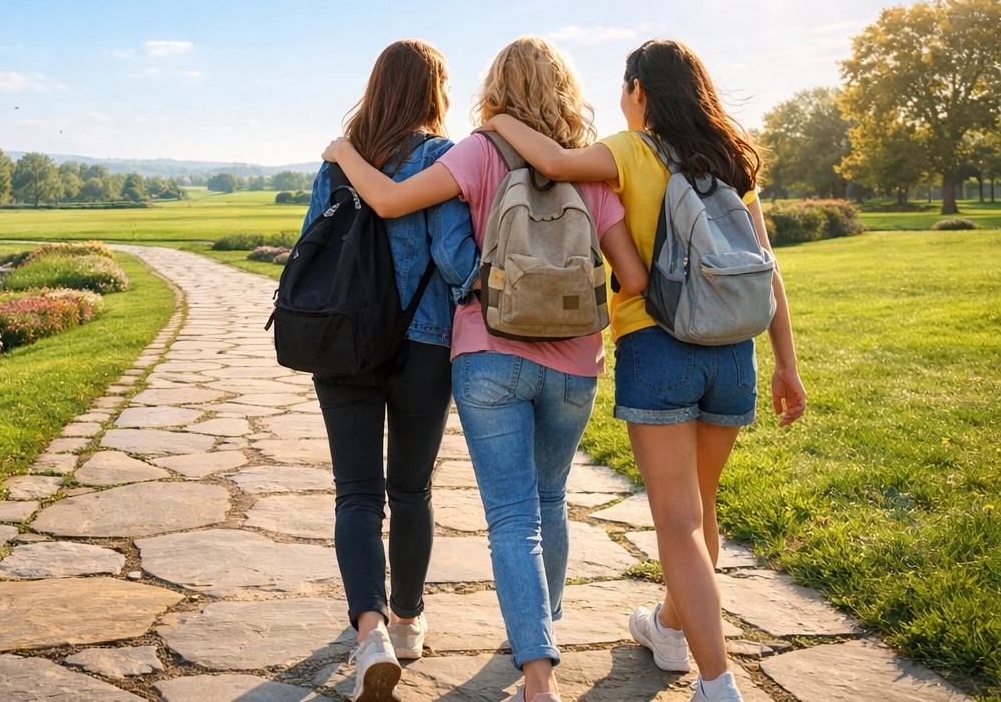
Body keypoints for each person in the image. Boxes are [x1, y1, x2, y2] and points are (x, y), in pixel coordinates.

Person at [480, 39, 809, 702]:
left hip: (659, 348)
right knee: (700, 511)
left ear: (638, 93)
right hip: (733, 355)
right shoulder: (731, 158)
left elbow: (549, 159)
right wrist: (787, 365)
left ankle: (718, 682)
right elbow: (766, 267)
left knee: (678, 521)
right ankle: (667, 626)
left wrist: (498, 120)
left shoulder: (633, 150)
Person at [325, 37, 649, 702]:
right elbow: (633, 275)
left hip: (489, 353)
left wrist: (341, 152)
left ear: (496, 87)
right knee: (548, 500)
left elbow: (396, 210)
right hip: (575, 362)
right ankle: (540, 638)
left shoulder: (475, 153)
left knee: (509, 515)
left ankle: (533, 666)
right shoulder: (594, 168)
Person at [301, 40, 477, 702]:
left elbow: (312, 244)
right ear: (434, 90)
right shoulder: (442, 160)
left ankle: (368, 630)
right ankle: (407, 622)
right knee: (410, 491)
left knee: (355, 493)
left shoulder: (339, 160)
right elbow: (456, 260)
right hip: (422, 345)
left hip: (341, 344)